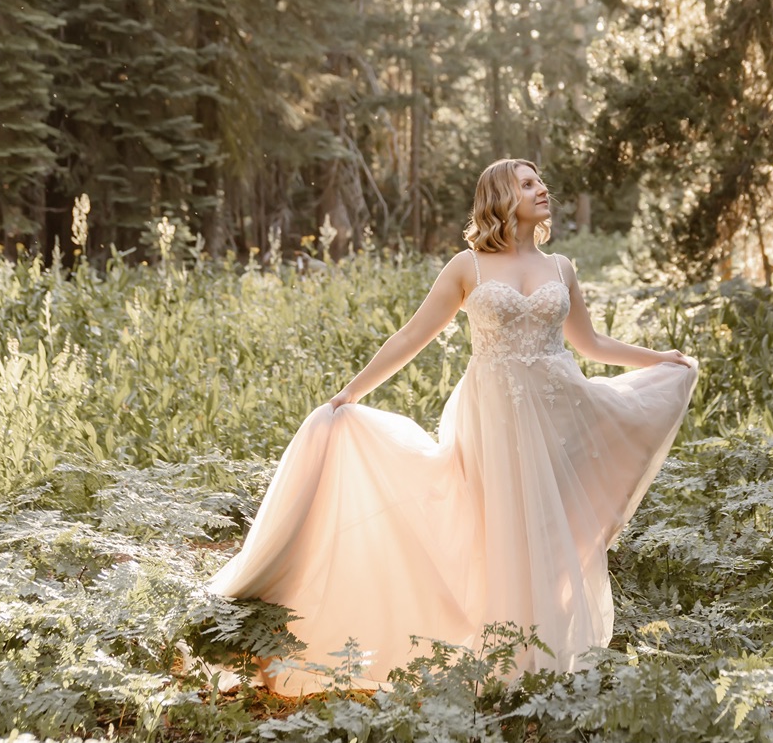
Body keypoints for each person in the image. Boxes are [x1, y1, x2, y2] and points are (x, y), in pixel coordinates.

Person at [205, 158, 699, 695]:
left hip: (560, 413)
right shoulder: (469, 267)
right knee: (497, 528)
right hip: (494, 419)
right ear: (500, 197)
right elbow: (411, 336)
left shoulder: (562, 267)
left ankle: (545, 661)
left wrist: (659, 358)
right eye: (528, 183)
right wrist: (350, 392)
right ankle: (501, 657)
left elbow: (591, 344)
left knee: (550, 534)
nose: (542, 189)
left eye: (540, 182)